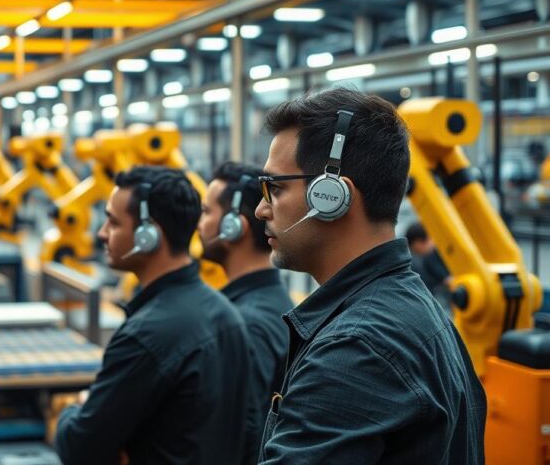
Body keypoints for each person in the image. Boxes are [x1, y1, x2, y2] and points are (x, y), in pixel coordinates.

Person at [254, 88, 486, 464]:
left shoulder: (354, 350)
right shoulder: (414, 310)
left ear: (330, 196)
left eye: (275, 188)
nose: (261, 209)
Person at [55, 166, 249, 465]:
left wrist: (72, 409)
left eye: (113, 222)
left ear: (148, 235)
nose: (101, 233)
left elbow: (80, 448)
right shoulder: (227, 315)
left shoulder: (145, 337)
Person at [198, 162, 293, 465]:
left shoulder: (248, 323)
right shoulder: (262, 304)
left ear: (233, 225)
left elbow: (239, 435)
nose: (199, 225)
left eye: (206, 212)